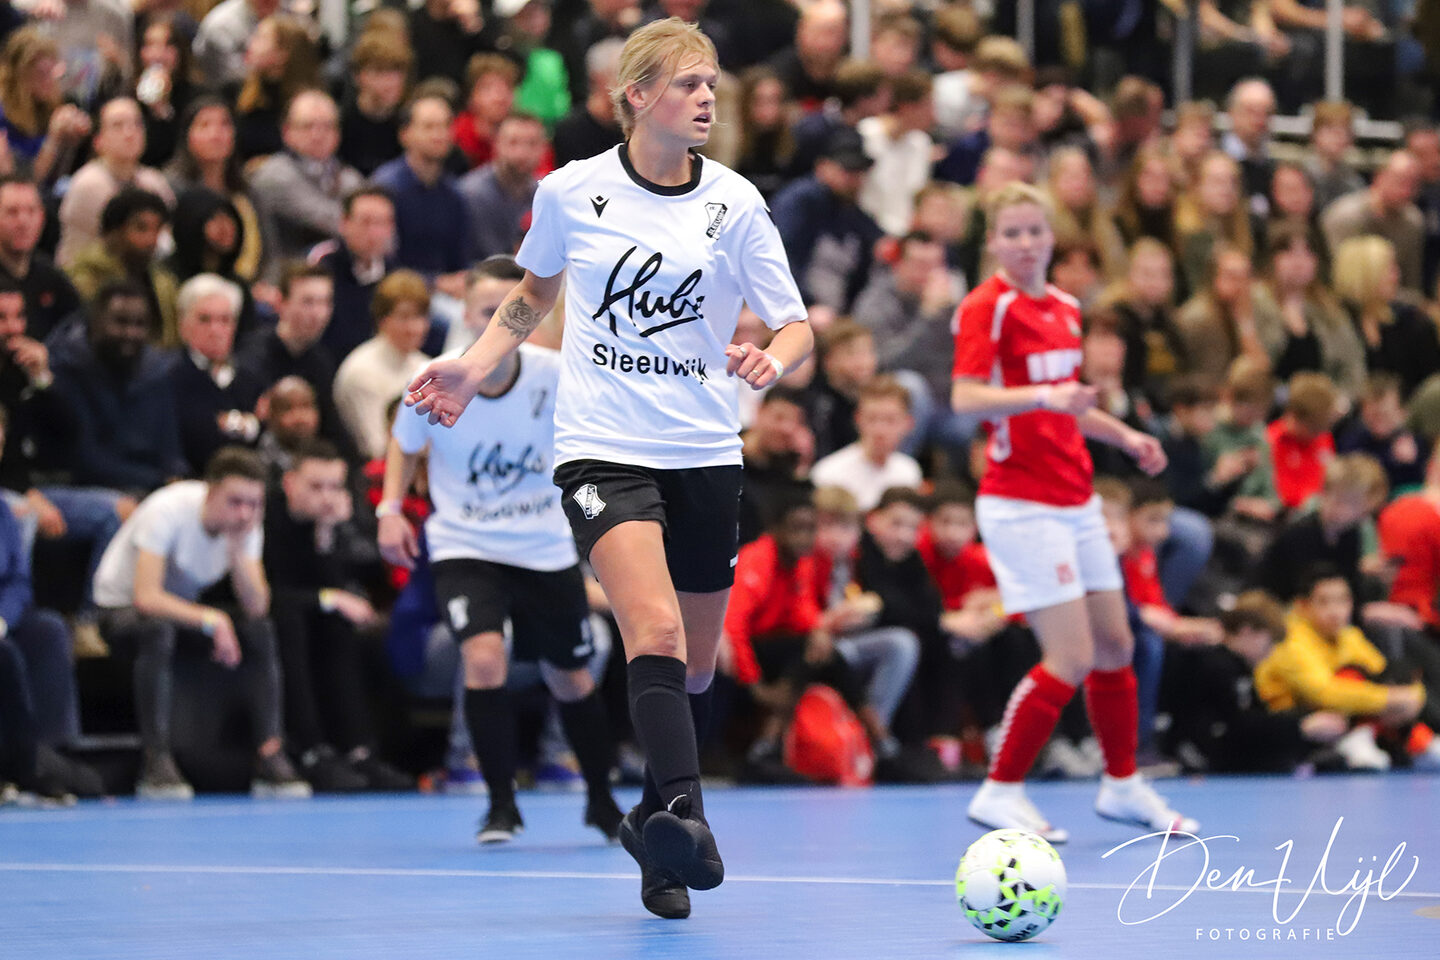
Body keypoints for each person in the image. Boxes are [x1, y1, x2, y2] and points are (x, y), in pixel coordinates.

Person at [404, 18, 814, 918]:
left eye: (712, 83)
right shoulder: (571, 190)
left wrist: (772, 360)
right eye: (688, 83)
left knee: (695, 668)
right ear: (637, 95)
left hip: (703, 450)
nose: (706, 98)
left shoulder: (736, 201)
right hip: (603, 448)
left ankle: (649, 829)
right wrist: (471, 367)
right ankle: (687, 823)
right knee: (654, 633)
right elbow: (534, 292)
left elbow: (795, 323)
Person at [949, 182, 1197, 842]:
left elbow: (1070, 407)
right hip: (1020, 504)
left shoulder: (1065, 307)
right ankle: (1000, 790)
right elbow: (966, 398)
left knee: (1117, 643)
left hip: (1077, 497)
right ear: (993, 242)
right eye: (1012, 233)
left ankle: (1122, 783)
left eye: (1036, 231)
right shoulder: (986, 307)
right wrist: (1042, 396)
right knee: (1071, 655)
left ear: (1052, 238)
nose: (1026, 244)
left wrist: (1127, 436)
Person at [378, 280, 624, 841]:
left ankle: (601, 801)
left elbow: (587, 455)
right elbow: (404, 441)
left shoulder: (555, 375)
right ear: (465, 316)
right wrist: (389, 510)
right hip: (466, 545)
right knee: (484, 656)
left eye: (511, 309)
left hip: (542, 548)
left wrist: (602, 516)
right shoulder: (438, 376)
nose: (500, 319)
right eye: (487, 309)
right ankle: (500, 806)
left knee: (571, 675)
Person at [93, 446, 311, 800]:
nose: (245, 513)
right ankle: (156, 761)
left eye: (254, 504)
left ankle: (269, 754)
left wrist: (238, 553)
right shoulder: (167, 510)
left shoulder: (246, 526)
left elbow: (257, 607)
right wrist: (213, 619)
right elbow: (146, 597)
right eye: (235, 502)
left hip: (180, 612)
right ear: (210, 492)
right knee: (158, 629)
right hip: (117, 610)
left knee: (260, 632)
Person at [266, 439, 412, 792]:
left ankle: (359, 750)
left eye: (334, 487)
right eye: (316, 487)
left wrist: (327, 533)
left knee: (343, 629)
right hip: (271, 616)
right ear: (290, 483)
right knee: (294, 624)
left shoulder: (336, 520)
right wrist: (329, 598)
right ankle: (311, 750)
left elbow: (343, 579)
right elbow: (275, 594)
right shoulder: (267, 514)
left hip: (310, 612)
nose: (327, 497)